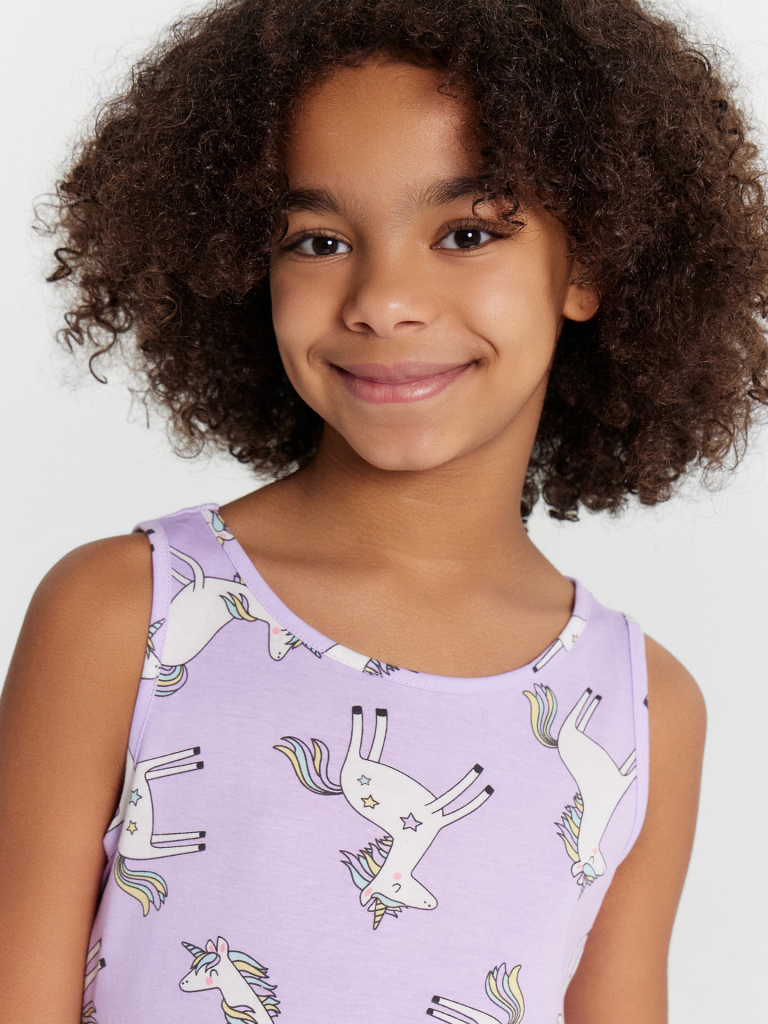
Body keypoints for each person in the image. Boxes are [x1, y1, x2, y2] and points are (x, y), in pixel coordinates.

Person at [1, 0, 765, 1020]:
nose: (382, 300)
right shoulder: (122, 615)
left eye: (466, 233)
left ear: (586, 264)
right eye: (318, 241)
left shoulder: (642, 710)